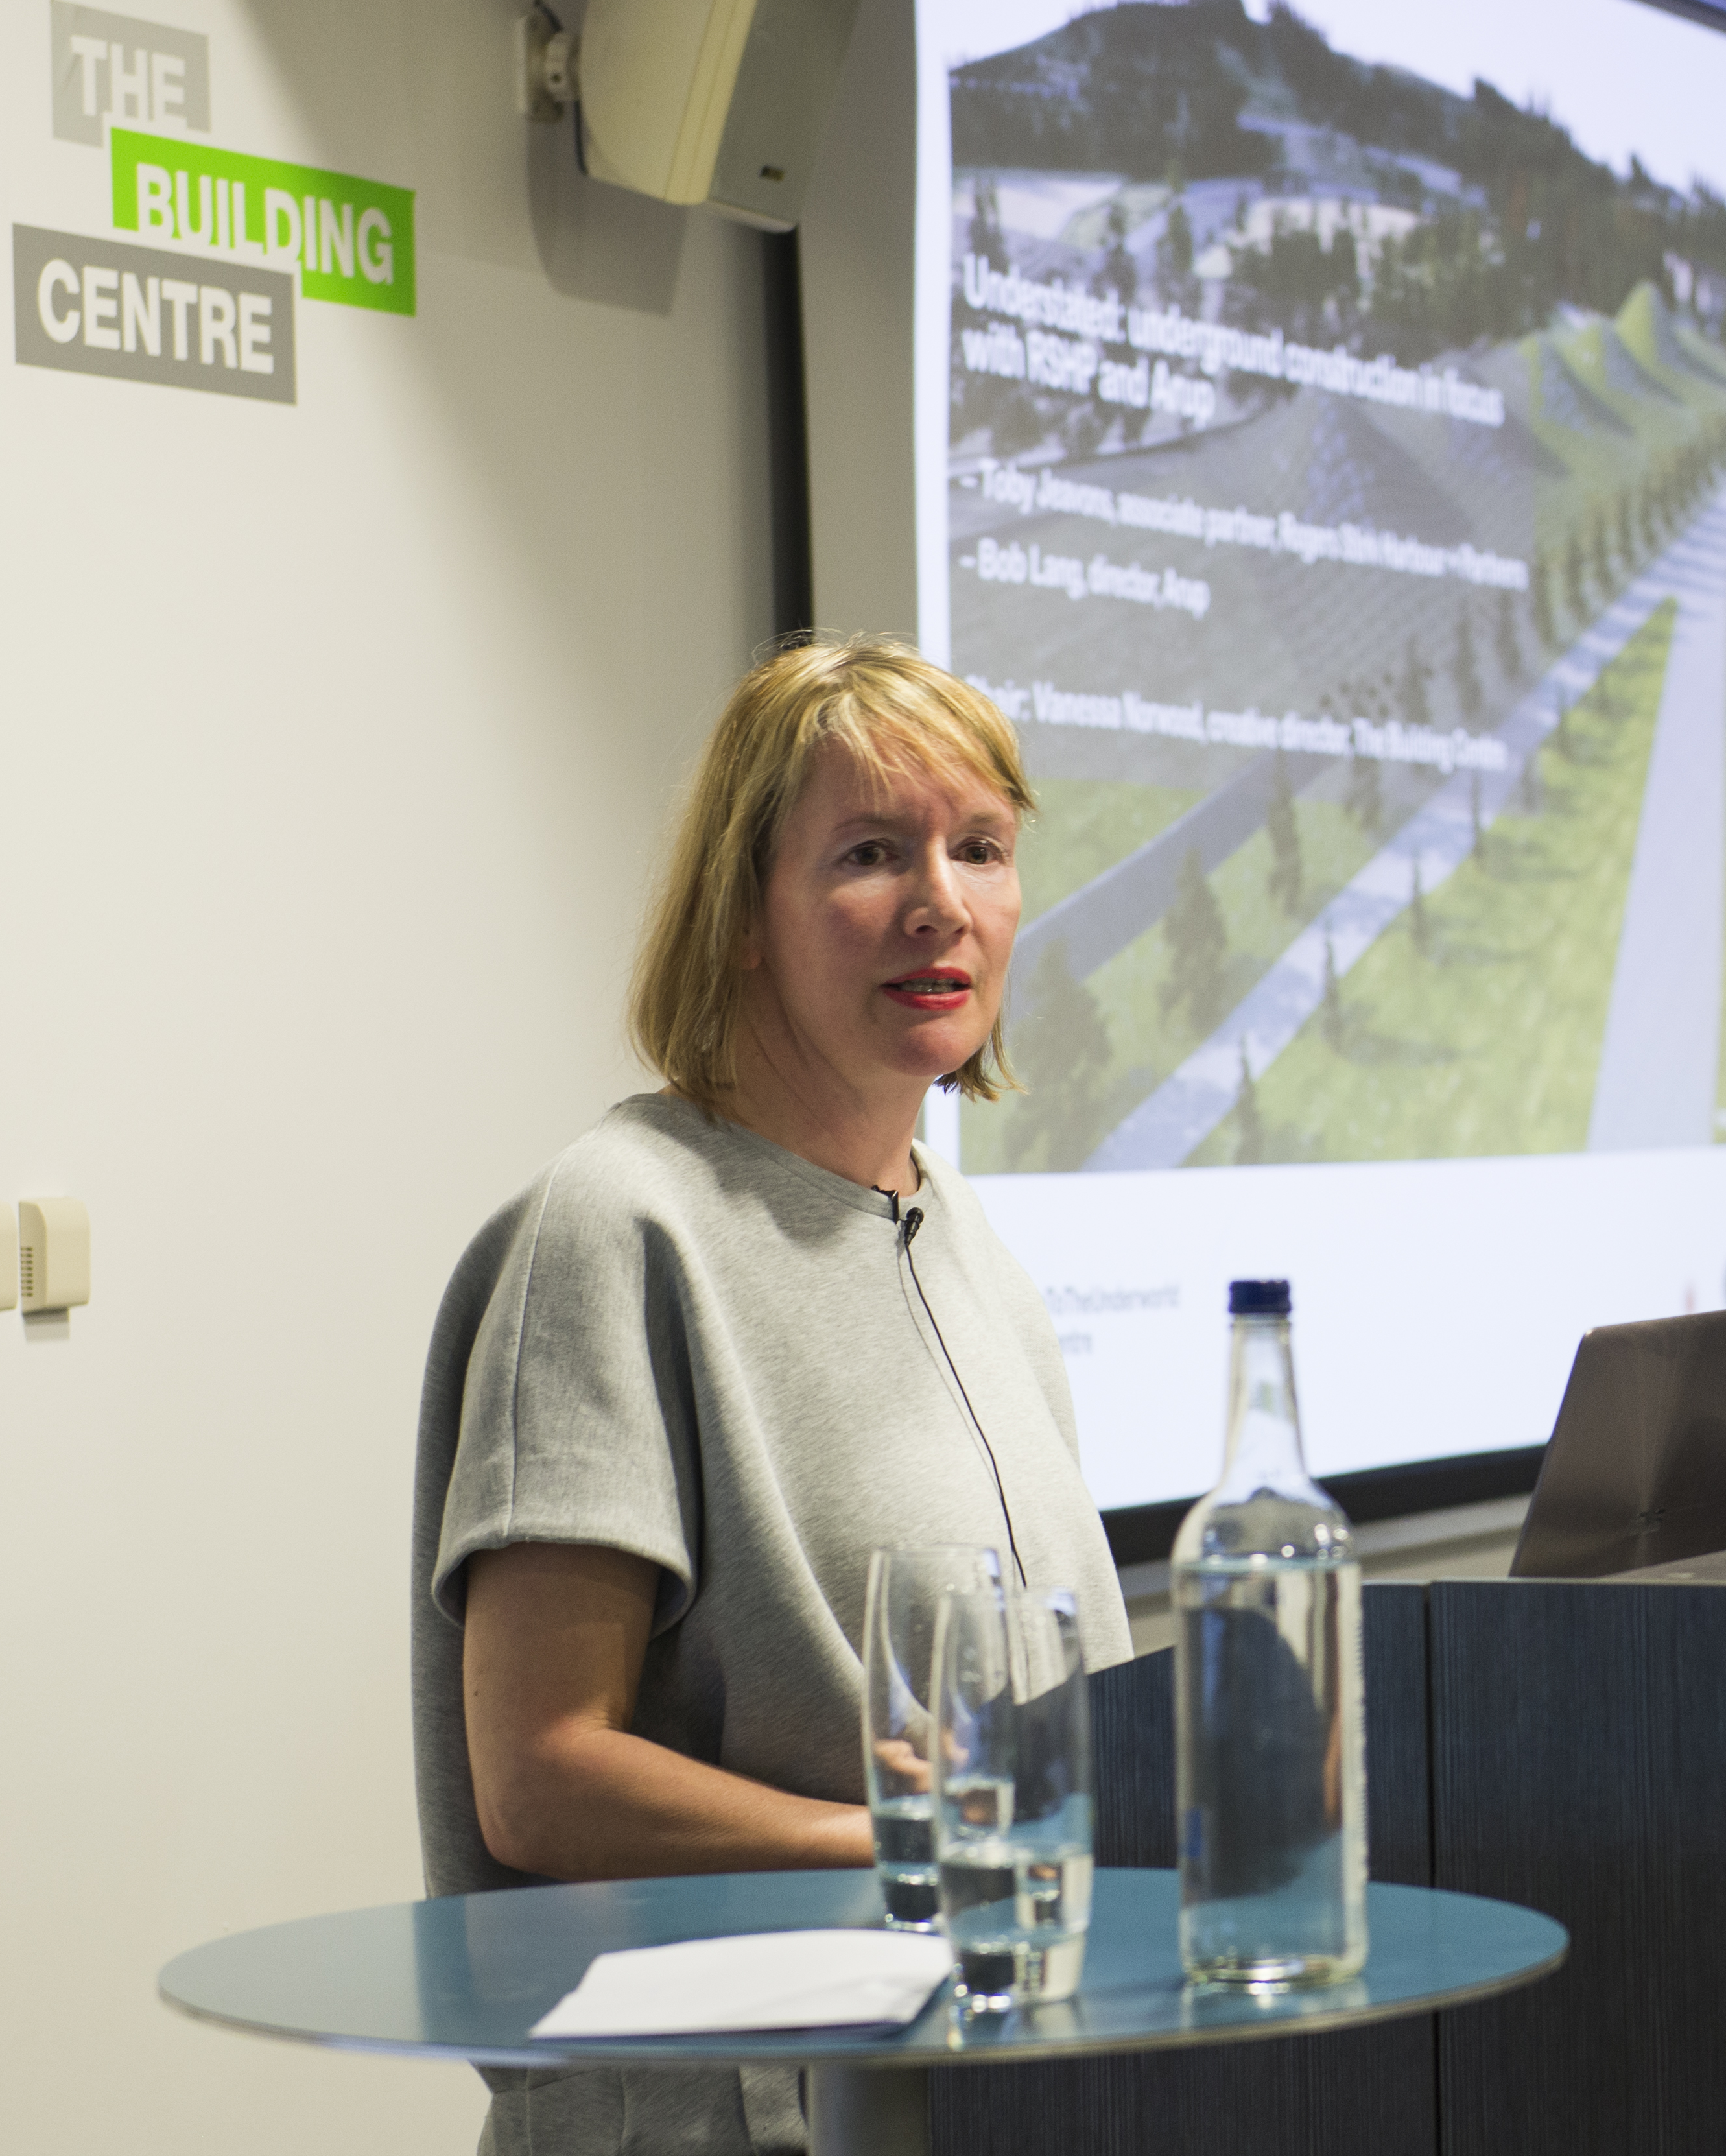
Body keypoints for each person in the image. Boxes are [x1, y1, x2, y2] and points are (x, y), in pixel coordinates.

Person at [408, 635, 1133, 2156]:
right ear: (744, 914)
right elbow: (538, 1778)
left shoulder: (957, 1232)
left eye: (981, 848)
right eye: (871, 852)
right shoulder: (616, 1226)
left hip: (975, 2088)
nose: (942, 899)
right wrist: (895, 1844)